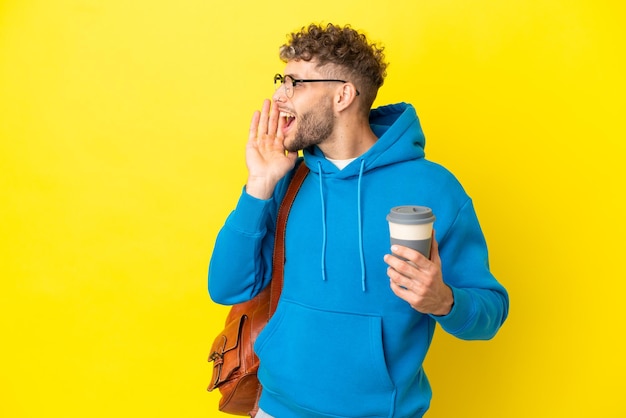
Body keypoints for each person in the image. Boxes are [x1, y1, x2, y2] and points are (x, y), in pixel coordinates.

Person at [208, 23, 509, 418]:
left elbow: (490, 312)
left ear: (343, 95)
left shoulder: (435, 188)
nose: (279, 97)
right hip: (275, 409)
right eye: (282, 81)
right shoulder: (287, 180)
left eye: (295, 83)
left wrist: (444, 301)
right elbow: (227, 287)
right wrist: (259, 184)